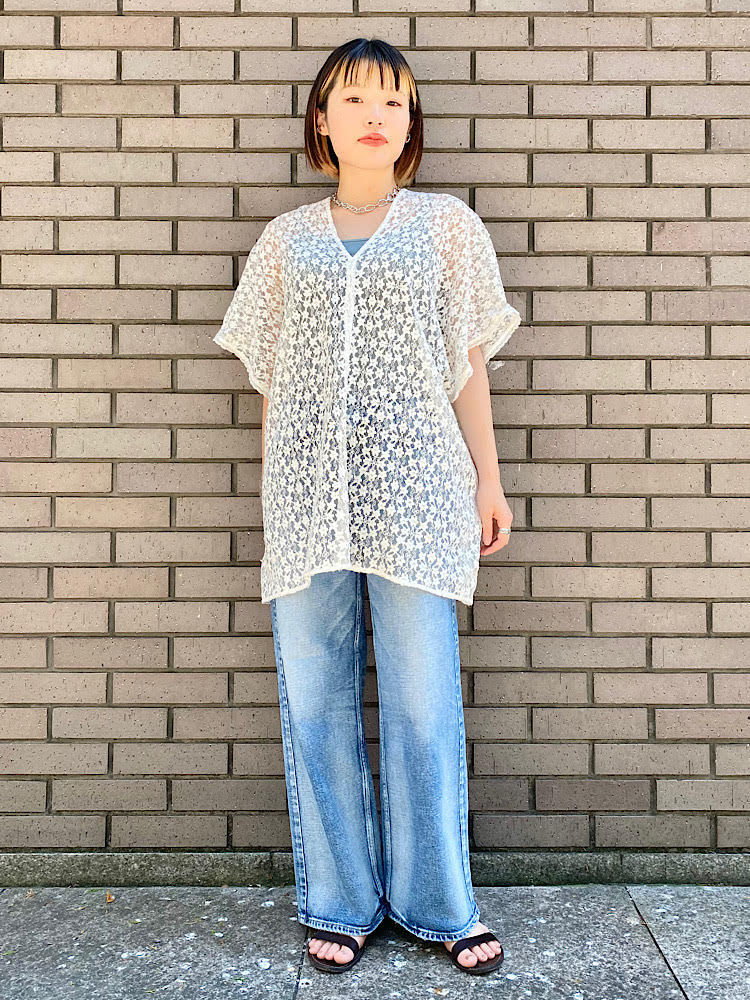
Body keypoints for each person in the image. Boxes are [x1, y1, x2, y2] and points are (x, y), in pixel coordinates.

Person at [213, 37, 521, 976]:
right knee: (317, 705)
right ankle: (341, 902)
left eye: (392, 99)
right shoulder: (286, 241)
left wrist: (488, 479)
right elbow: (274, 381)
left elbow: (466, 365)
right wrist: (277, 499)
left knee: (424, 707)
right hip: (307, 502)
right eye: (353, 98)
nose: (374, 114)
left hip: (419, 495)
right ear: (322, 119)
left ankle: (441, 904)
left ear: (411, 120)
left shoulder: (446, 227)